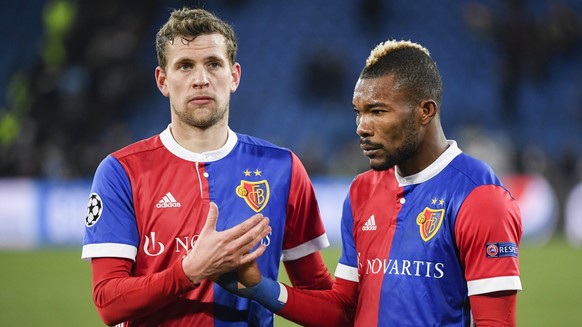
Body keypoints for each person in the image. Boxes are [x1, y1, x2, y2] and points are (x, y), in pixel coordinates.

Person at [221, 39, 523, 326]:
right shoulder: (362, 191)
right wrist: (259, 286)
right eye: (358, 113)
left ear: (425, 111)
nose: (362, 128)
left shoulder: (480, 198)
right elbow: (343, 311)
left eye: (377, 111)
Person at [81, 7, 333, 326]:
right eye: (185, 66)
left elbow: (327, 308)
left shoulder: (282, 168)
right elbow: (109, 302)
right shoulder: (121, 171)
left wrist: (261, 289)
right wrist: (189, 271)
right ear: (163, 81)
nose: (201, 80)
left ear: (234, 76)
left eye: (213, 64)